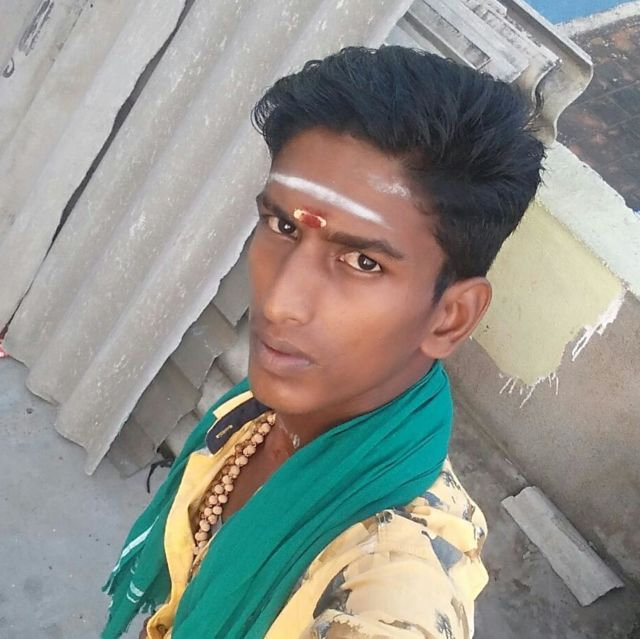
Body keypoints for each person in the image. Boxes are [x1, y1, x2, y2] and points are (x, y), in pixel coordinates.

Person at [102, 46, 545, 639]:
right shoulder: (263, 410)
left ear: (450, 318)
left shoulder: (396, 587)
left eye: (363, 261)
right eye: (283, 226)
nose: (280, 302)